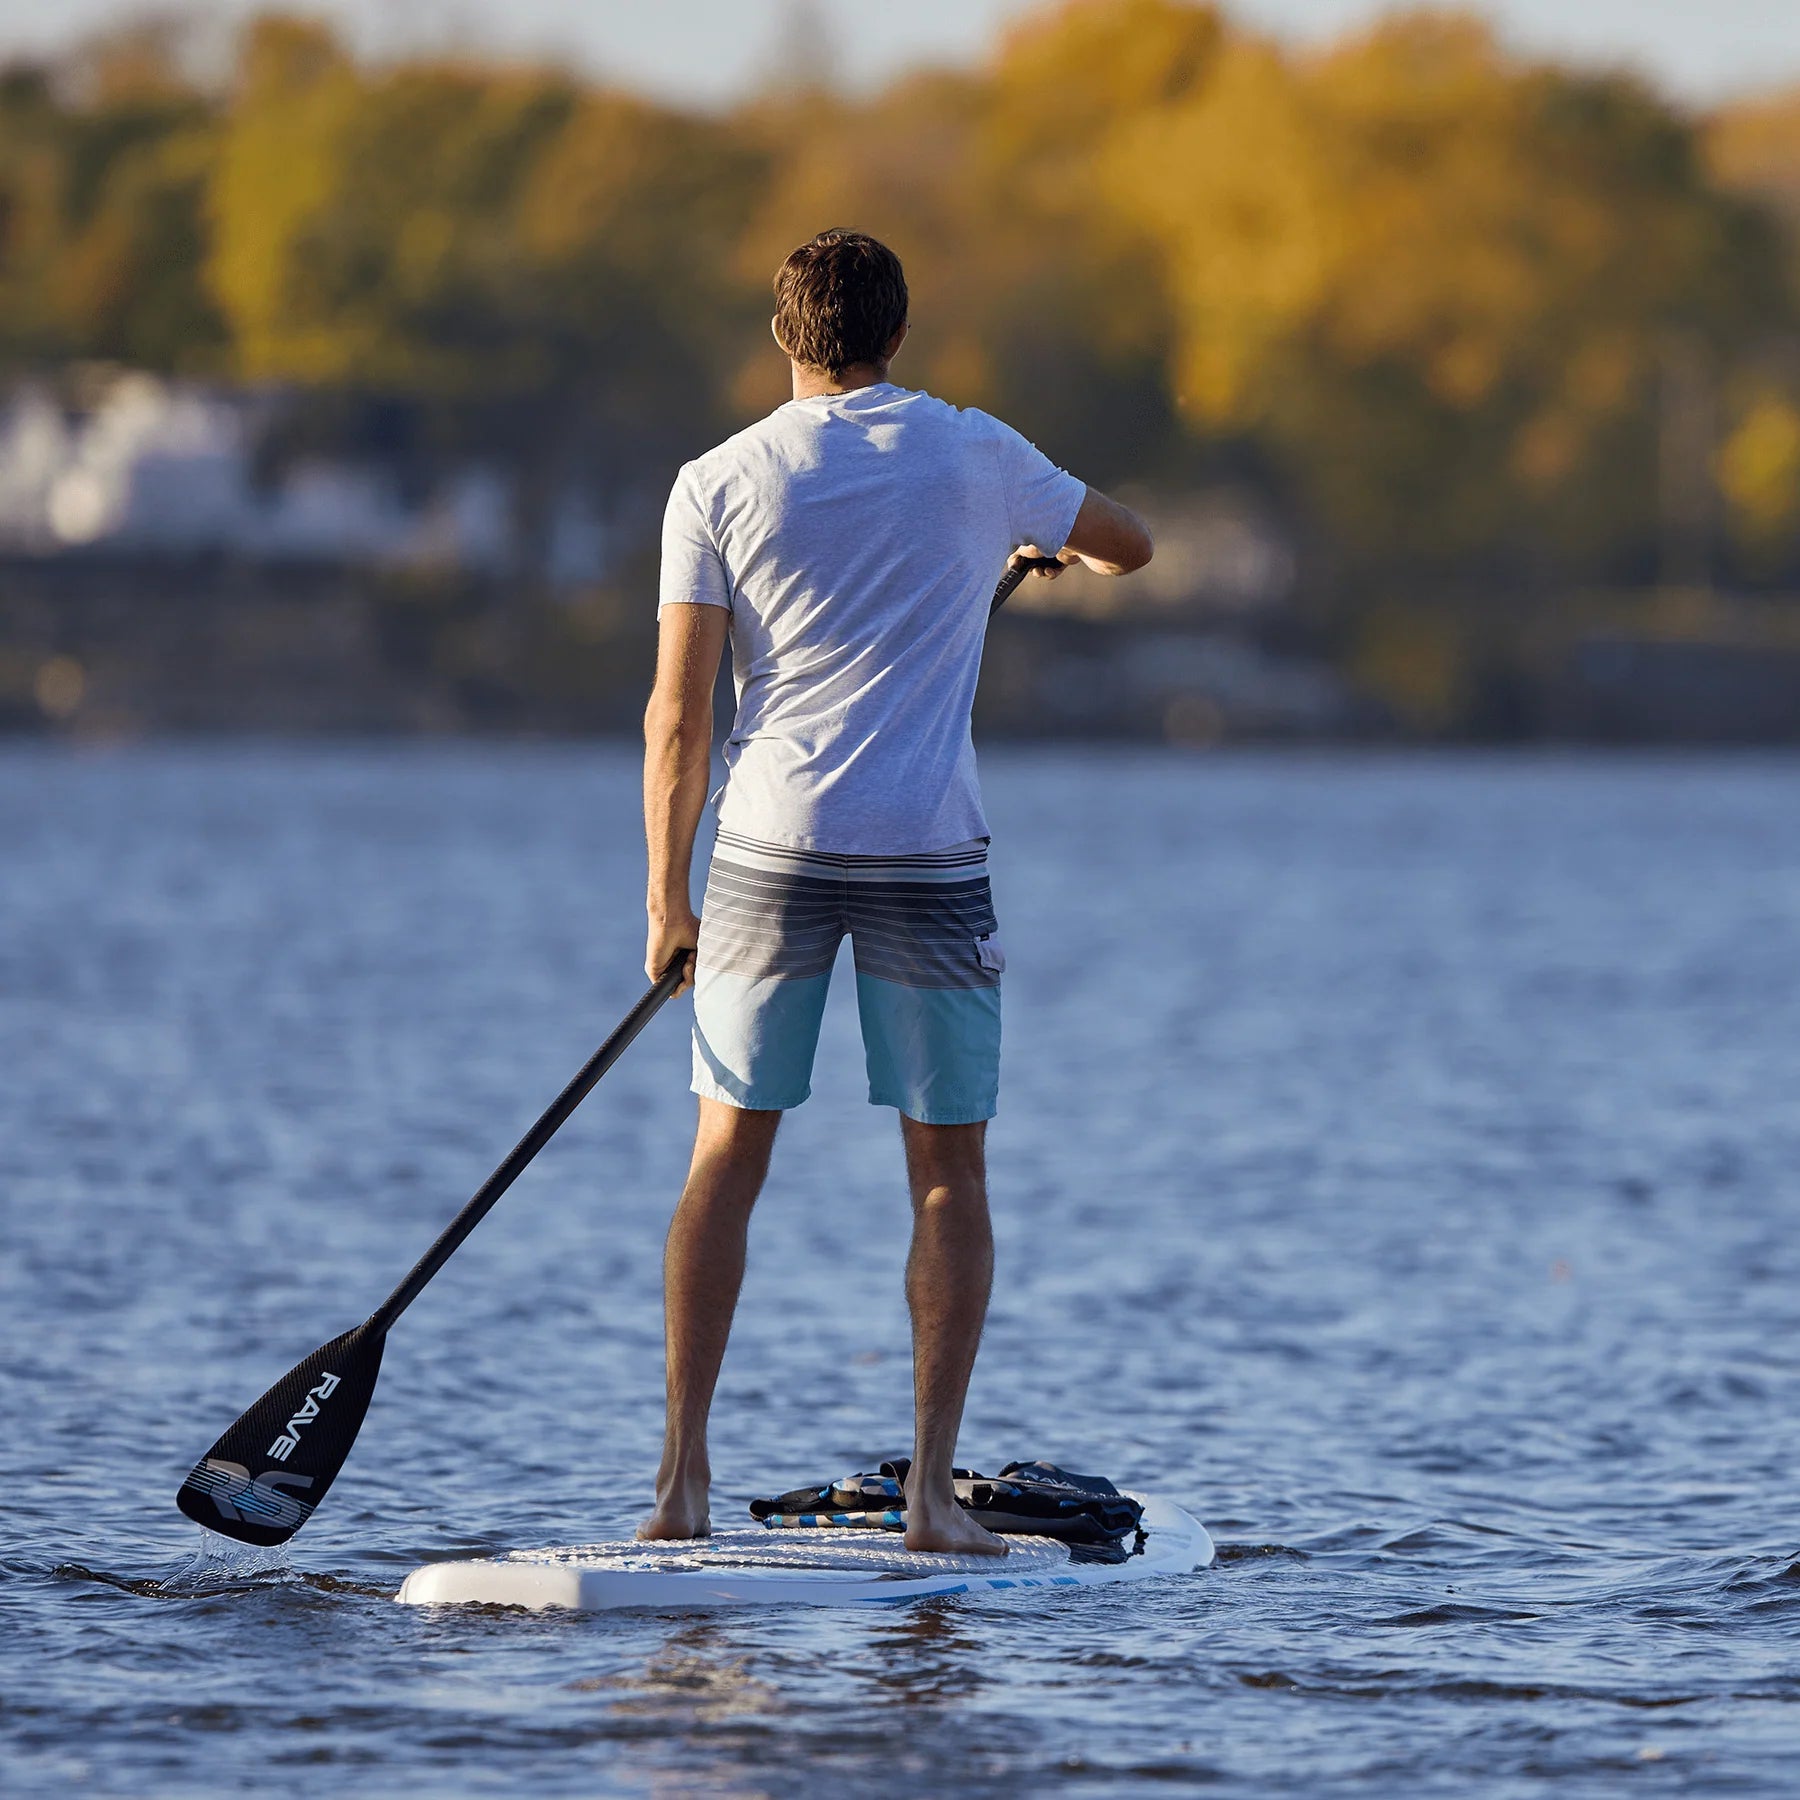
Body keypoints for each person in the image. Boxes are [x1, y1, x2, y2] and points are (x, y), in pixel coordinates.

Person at [639, 228, 1152, 1555]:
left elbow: (678, 722)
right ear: (901, 334)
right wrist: (1053, 545)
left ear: (782, 337)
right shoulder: (978, 452)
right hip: (927, 850)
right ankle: (930, 1500)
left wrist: (666, 904)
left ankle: (681, 1490)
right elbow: (1132, 546)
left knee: (724, 1160)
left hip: (766, 850)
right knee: (946, 1176)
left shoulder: (717, 479)